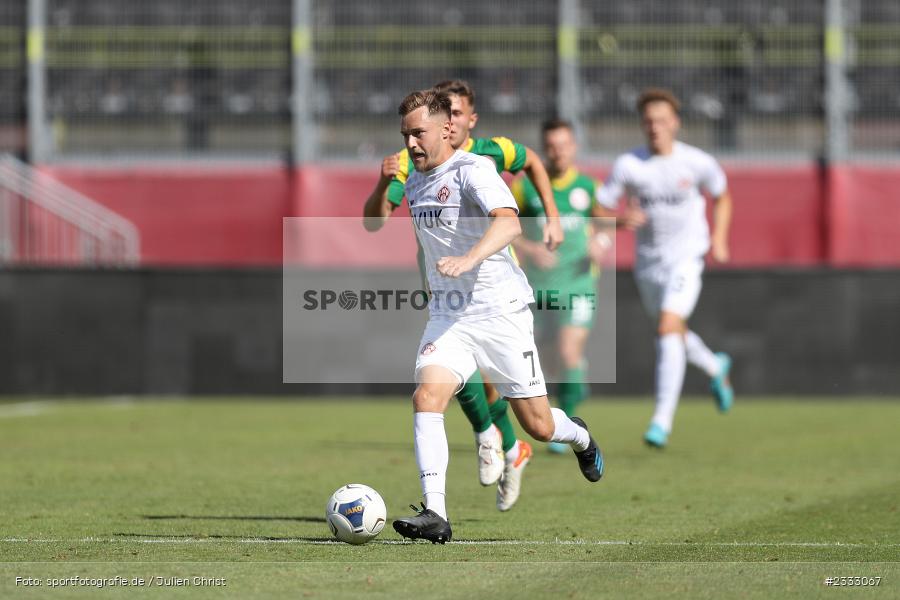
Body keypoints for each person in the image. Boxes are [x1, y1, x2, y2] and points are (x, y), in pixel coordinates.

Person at [391, 90, 603, 543]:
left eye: (418, 133)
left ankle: (581, 437)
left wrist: (469, 259)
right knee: (427, 398)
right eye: (406, 134)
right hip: (450, 317)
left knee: (539, 426)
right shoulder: (413, 181)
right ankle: (436, 512)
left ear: (446, 129)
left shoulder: (474, 171)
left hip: (500, 313)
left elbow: (507, 222)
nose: (411, 143)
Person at [363, 80, 564, 511]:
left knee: (530, 416)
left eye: (457, 113)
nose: (451, 120)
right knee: (434, 390)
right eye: (408, 134)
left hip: (493, 293)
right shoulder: (409, 165)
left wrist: (551, 217)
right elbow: (375, 221)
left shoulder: (484, 157)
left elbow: (530, 165)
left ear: (465, 120)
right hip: (444, 296)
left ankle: (514, 444)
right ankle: (441, 503)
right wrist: (383, 186)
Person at [595, 88, 734, 449]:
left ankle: (661, 421)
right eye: (648, 121)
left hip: (687, 258)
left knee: (667, 327)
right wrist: (620, 219)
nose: (655, 127)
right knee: (672, 331)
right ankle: (716, 367)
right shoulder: (630, 165)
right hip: (649, 266)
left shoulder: (696, 162)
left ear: (675, 123)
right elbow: (599, 208)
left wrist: (719, 239)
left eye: (661, 120)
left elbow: (722, 195)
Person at [511, 119, 611, 453]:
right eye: (551, 146)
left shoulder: (588, 186)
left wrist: (601, 241)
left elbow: (605, 223)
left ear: (574, 147)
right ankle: (573, 383)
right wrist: (531, 249)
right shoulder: (525, 188)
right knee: (550, 359)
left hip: (579, 284)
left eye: (564, 145)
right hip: (539, 288)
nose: (558, 152)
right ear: (544, 149)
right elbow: (506, 227)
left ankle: (566, 422)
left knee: (569, 352)